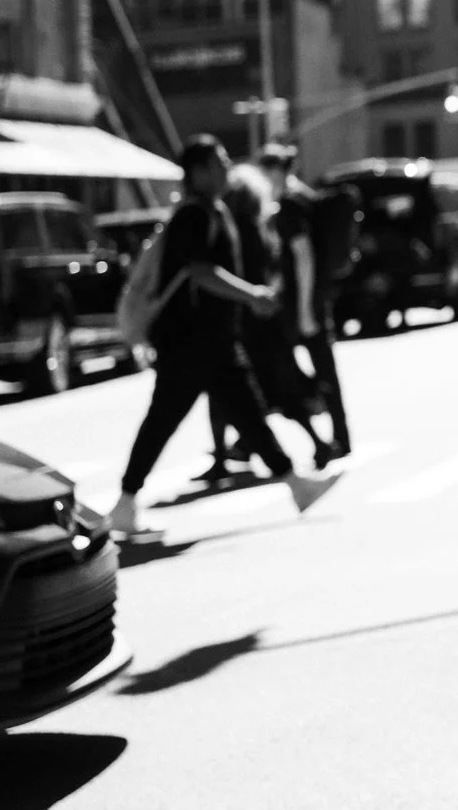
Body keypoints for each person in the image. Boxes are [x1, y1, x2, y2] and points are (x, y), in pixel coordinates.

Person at [110, 137, 337, 539]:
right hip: (189, 341)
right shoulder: (193, 216)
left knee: (248, 410)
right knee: (164, 420)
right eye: (219, 162)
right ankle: (125, 502)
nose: (227, 167)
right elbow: (200, 272)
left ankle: (296, 484)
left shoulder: (214, 211)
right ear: (198, 171)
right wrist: (251, 295)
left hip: (212, 340)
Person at [205, 161, 337, 475]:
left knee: (233, 393)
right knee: (276, 394)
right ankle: (308, 445)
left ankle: (232, 457)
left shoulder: (237, 230)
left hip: (247, 324)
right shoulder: (261, 227)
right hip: (266, 324)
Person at [257, 144, 351, 459]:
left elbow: (303, 257)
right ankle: (339, 434)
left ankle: (326, 425)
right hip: (312, 297)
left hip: (303, 302)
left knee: (288, 365)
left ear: (276, 171)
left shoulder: (290, 205)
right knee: (322, 368)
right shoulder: (304, 198)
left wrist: (305, 307)